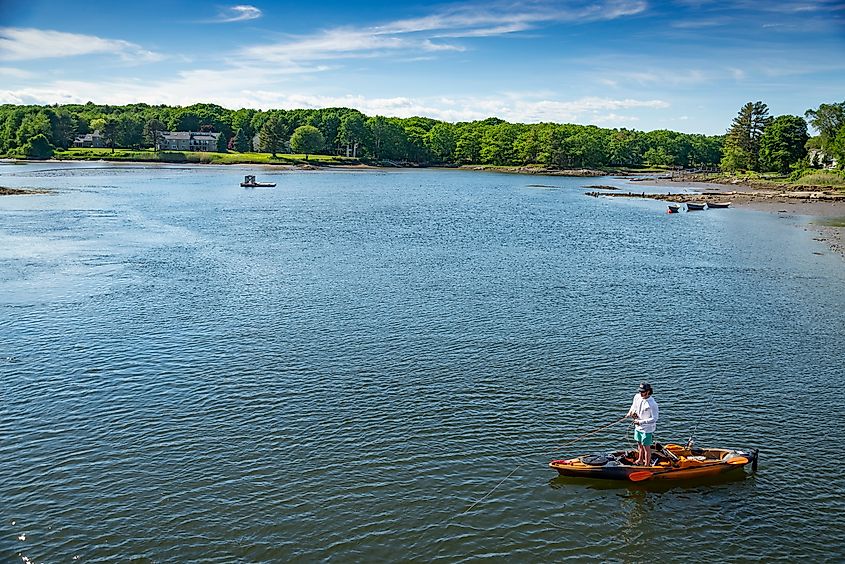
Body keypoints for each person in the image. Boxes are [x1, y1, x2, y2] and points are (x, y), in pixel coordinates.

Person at [626, 382, 659, 466]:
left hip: (647, 429)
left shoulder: (653, 404)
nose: (641, 393)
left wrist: (640, 422)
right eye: (640, 391)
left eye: (643, 392)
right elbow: (633, 406)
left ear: (648, 392)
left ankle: (647, 465)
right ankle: (640, 460)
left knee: (646, 448)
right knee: (639, 444)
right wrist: (630, 413)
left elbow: (654, 419)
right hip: (638, 427)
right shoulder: (637, 397)